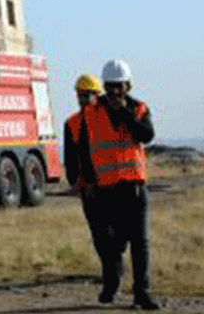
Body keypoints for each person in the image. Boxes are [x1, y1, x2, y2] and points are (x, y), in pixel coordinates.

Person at [67, 60, 159, 310]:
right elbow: (83, 153)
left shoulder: (139, 109)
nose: (115, 92)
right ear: (105, 87)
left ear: (128, 85)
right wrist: (85, 184)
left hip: (135, 188)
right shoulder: (90, 114)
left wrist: (124, 113)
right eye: (110, 87)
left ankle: (142, 292)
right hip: (106, 190)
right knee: (112, 243)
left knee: (140, 242)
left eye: (119, 86)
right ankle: (112, 281)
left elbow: (146, 135)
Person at [63, 73, 114, 286]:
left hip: (111, 184)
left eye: (87, 95)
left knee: (115, 231)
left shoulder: (108, 117)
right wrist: (75, 182)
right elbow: (70, 158)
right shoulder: (72, 123)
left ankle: (113, 267)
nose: (83, 99)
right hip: (89, 187)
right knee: (98, 232)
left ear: (97, 95)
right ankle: (110, 270)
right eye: (80, 95)